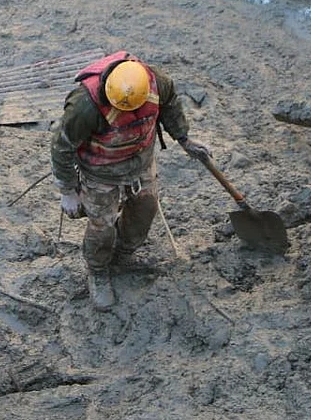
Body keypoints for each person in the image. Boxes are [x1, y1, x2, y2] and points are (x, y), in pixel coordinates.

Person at [50, 51, 211, 311]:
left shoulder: (157, 83)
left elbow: (170, 106)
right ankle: (98, 270)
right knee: (101, 225)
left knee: (145, 209)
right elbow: (61, 147)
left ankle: (124, 254)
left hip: (140, 162)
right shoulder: (84, 106)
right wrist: (67, 190)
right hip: (100, 173)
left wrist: (184, 138)